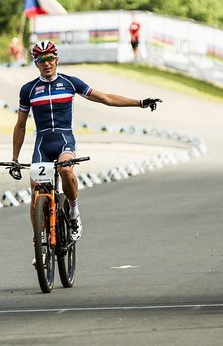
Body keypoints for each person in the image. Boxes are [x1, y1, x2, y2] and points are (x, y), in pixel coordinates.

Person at [8, 40, 161, 241]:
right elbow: (20, 125)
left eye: (50, 58)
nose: (46, 63)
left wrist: (139, 103)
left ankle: (73, 213)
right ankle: (40, 239)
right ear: (35, 63)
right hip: (42, 144)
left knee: (65, 169)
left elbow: (105, 98)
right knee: (36, 189)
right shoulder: (28, 90)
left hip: (64, 140)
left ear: (57, 59)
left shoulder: (70, 83)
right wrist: (15, 159)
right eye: (41, 60)